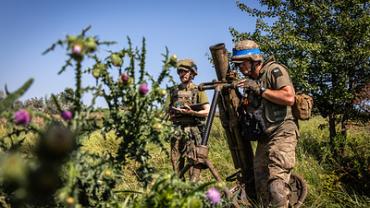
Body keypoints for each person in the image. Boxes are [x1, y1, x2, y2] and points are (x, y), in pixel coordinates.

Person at [231, 40, 299, 207]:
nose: (240, 67)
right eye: (237, 64)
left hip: (283, 131)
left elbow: (289, 98)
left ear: (255, 60)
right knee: (260, 184)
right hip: (264, 136)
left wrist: (259, 89)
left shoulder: (274, 70)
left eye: (242, 63)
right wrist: (235, 91)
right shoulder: (250, 82)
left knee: (276, 185)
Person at [167, 59, 210, 182]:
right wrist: (172, 113)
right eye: (180, 71)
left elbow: (207, 110)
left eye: (185, 71)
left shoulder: (198, 90)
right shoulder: (173, 90)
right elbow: (165, 112)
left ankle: (193, 190)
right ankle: (180, 191)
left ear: (192, 73)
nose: (182, 74)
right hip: (177, 131)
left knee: (194, 162)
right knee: (176, 162)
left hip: (193, 130)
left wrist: (193, 112)